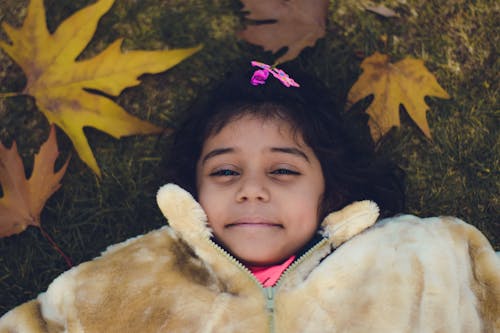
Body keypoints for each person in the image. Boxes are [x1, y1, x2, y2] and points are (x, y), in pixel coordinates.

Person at [0, 63, 498, 333]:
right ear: (193, 190)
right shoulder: (133, 276)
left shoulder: (421, 257)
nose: (251, 189)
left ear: (330, 190)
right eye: (225, 171)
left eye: (283, 170)